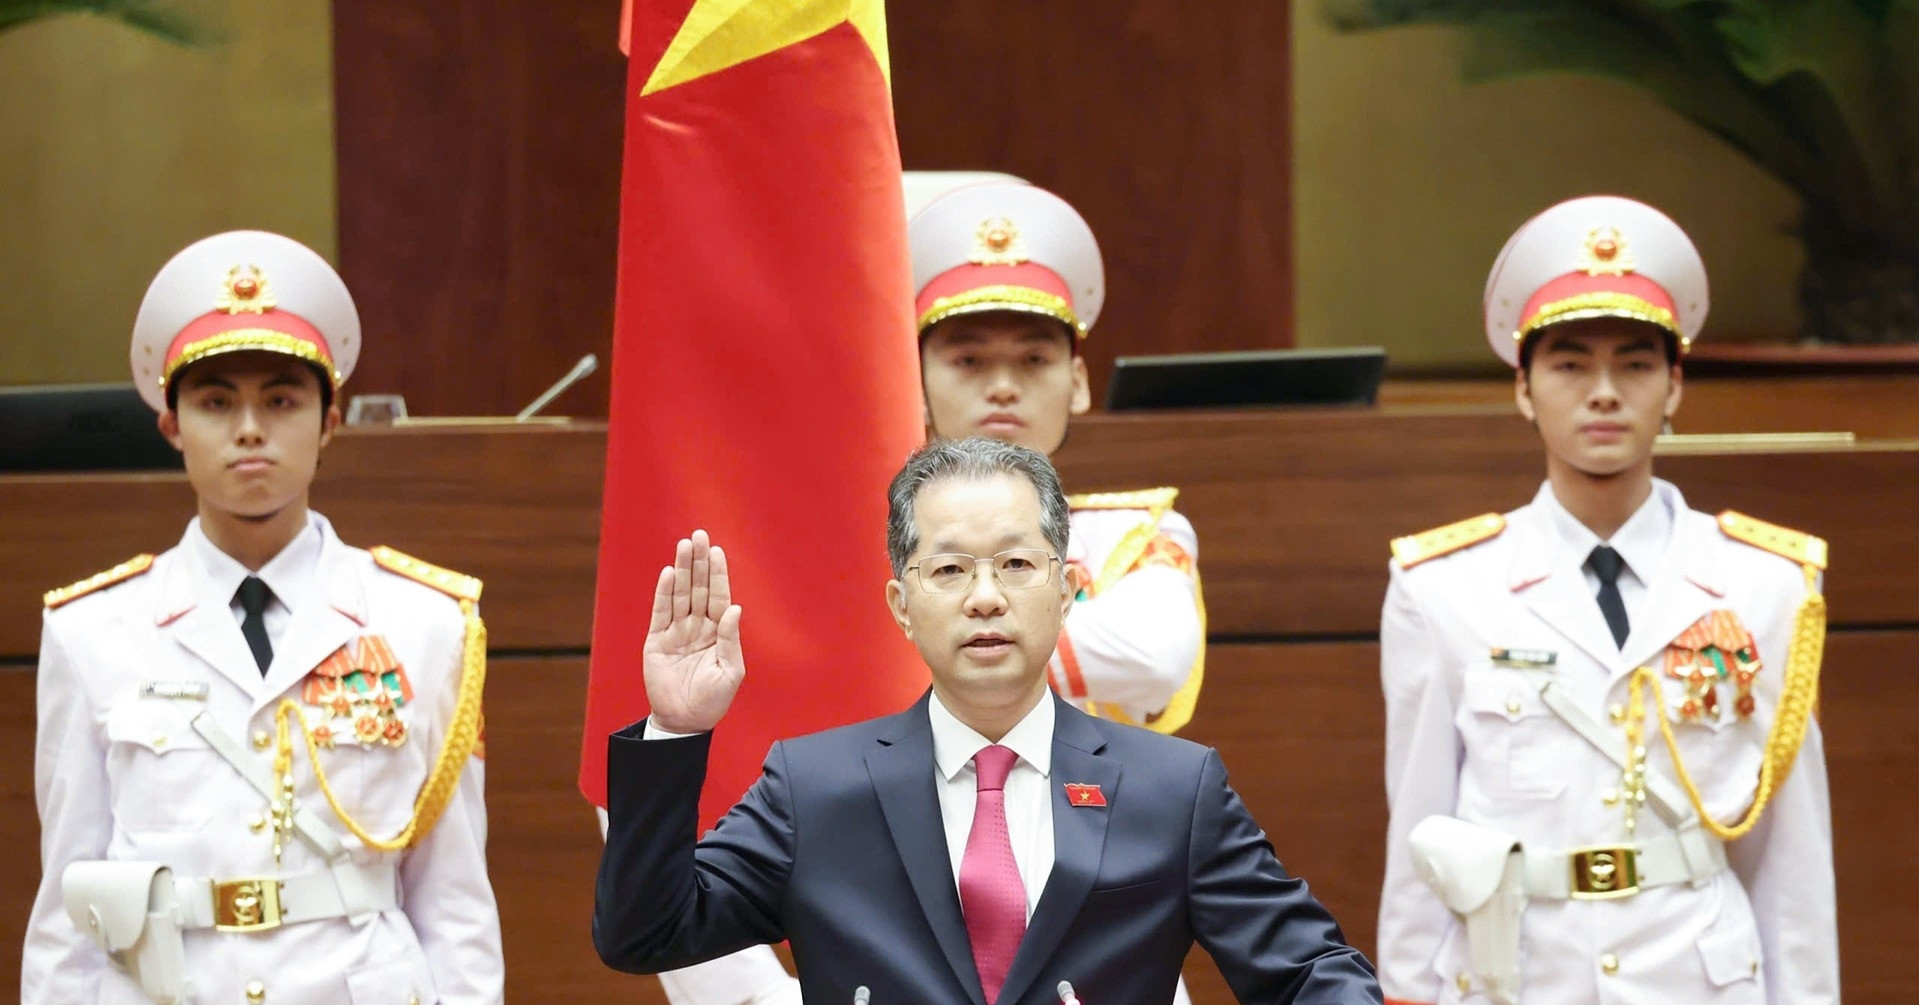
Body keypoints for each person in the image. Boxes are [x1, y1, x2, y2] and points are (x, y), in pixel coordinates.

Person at [653, 180, 1211, 1005]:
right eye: (967, 358)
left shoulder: (1134, 532)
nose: (1002, 386)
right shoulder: (826, 554)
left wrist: (928, 641)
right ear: (908, 376)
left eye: (1033, 358)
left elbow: (1156, 657)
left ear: (1080, 380)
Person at [595, 436, 1382, 1005]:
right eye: (947, 568)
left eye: (1014, 563)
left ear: (1066, 588)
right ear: (901, 605)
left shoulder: (1172, 787)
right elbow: (644, 934)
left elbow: (1309, 971)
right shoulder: (816, 787)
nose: (984, 596)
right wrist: (676, 729)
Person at [1375, 196, 1837, 1005]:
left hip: (1698, 978)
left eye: (1634, 363)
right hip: (1514, 977)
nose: (1603, 393)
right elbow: (1420, 831)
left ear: (1674, 385)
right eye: (1567, 364)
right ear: (1522, 389)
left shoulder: (1765, 582)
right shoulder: (1443, 586)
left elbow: (1788, 848)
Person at [25, 231, 503, 1005]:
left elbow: (453, 899)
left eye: (281, 399)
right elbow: (69, 908)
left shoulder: (426, 622)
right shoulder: (94, 631)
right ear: (172, 427)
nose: (250, 427)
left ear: (329, 422)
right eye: (216, 402)